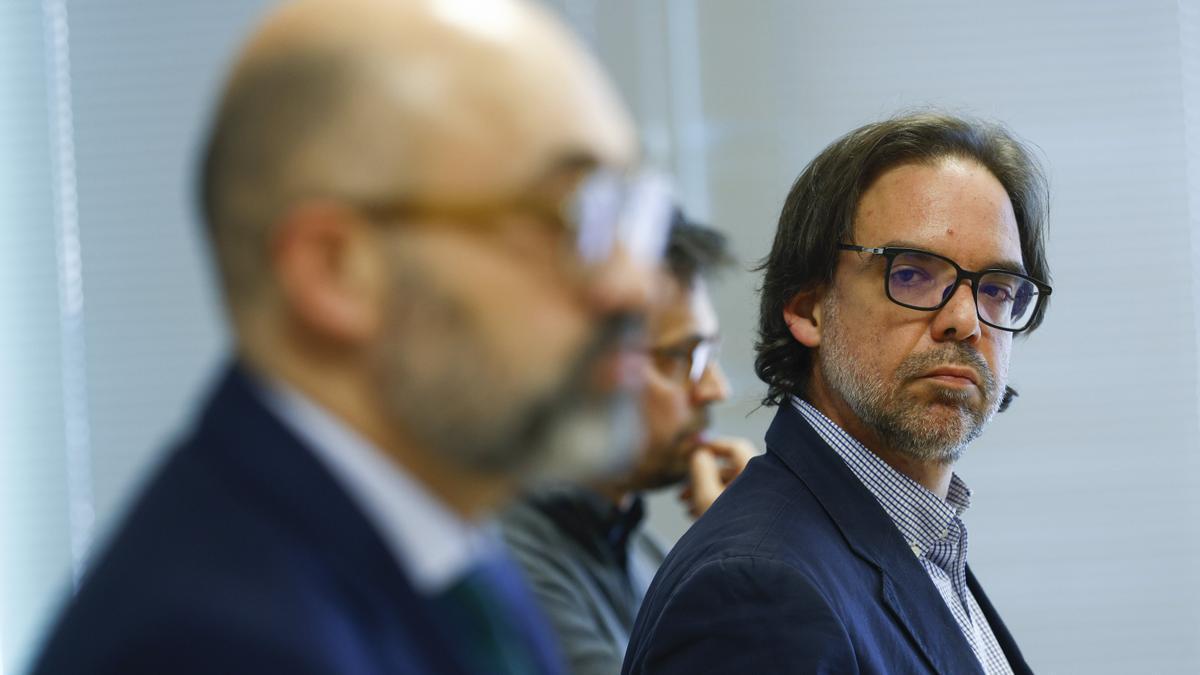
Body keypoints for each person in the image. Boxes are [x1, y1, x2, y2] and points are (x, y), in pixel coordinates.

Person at [30, 0, 676, 673]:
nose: (637, 286)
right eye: (576, 215)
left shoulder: (449, 544)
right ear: (335, 271)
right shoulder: (214, 644)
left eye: (632, 214)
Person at [623, 112, 1053, 675]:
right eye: (913, 274)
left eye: (996, 289)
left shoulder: (925, 544)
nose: (965, 321)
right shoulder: (757, 591)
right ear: (807, 308)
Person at [500, 213, 754, 675]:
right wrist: (737, 558)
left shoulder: (642, 551)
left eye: (710, 357)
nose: (715, 389)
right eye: (683, 356)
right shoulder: (506, 565)